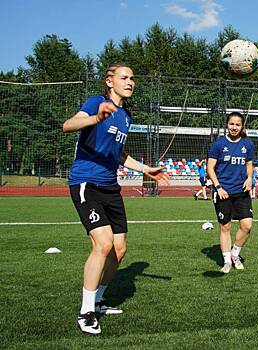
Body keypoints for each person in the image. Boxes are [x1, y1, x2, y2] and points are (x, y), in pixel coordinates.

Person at [63, 64, 170, 335]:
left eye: (133, 78)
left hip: (111, 187)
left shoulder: (125, 115)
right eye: (124, 77)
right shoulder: (96, 103)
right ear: (109, 82)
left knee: (119, 249)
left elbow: (119, 154)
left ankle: (98, 300)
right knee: (103, 243)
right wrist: (95, 118)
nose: (130, 82)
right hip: (86, 183)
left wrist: (146, 169)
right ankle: (85, 311)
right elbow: (68, 125)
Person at [207, 111, 254, 274]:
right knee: (225, 227)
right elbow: (210, 168)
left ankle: (235, 254)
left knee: (247, 226)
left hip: (242, 191)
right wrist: (218, 187)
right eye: (231, 124)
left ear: (242, 126)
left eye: (238, 124)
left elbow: (249, 164)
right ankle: (227, 261)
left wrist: (249, 178)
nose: (234, 127)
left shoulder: (247, 144)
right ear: (227, 125)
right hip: (223, 192)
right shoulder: (218, 145)